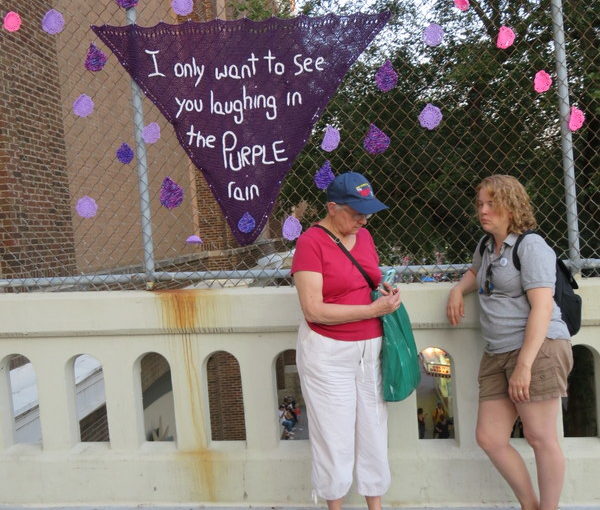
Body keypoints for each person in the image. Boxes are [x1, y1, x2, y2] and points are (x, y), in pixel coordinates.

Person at [446, 175, 573, 510]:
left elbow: (543, 307)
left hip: (538, 349)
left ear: (511, 205)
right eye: (480, 204)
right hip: (497, 351)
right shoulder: (487, 245)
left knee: (540, 438)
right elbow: (475, 273)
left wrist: (524, 366)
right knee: (489, 437)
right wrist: (458, 290)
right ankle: (530, 505)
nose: (483, 211)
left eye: (491, 204)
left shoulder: (531, 246)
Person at [292, 171, 401, 510]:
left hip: (370, 349)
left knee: (373, 433)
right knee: (333, 438)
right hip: (328, 352)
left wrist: (382, 292)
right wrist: (372, 309)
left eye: (367, 213)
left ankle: (375, 506)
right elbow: (314, 310)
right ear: (332, 207)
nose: (363, 220)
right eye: (355, 213)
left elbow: (367, 277)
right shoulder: (311, 242)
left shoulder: (364, 237)